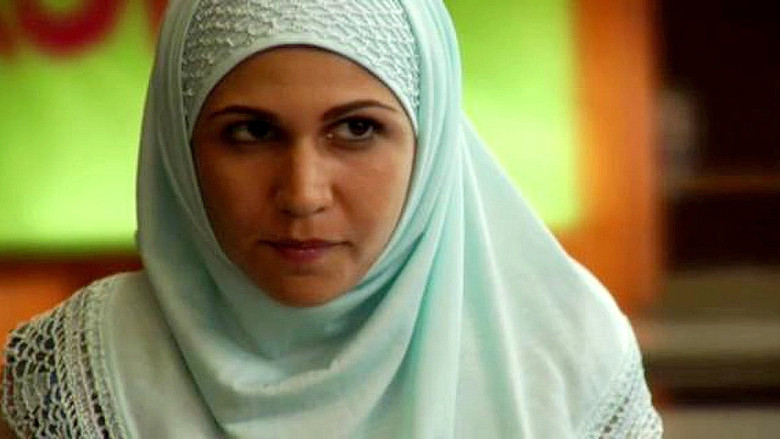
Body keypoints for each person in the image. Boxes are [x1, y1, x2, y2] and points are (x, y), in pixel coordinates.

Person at [1, 0, 663, 437]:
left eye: (356, 129)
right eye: (251, 132)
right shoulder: (82, 373)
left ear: (429, 142)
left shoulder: (561, 355)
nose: (303, 194)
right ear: (179, 149)